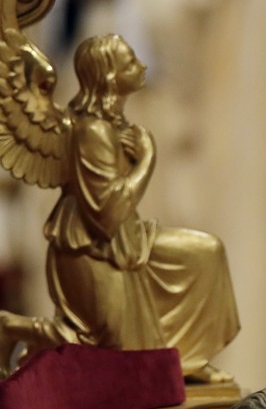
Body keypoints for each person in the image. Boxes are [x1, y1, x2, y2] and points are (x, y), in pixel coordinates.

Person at [0, 33, 240, 382]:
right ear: (110, 77)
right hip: (90, 252)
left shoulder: (110, 122)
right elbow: (107, 214)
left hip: (121, 243)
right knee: (113, 351)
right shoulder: (92, 132)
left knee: (206, 253)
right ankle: (15, 327)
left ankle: (187, 359)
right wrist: (147, 160)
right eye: (130, 61)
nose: (140, 65)